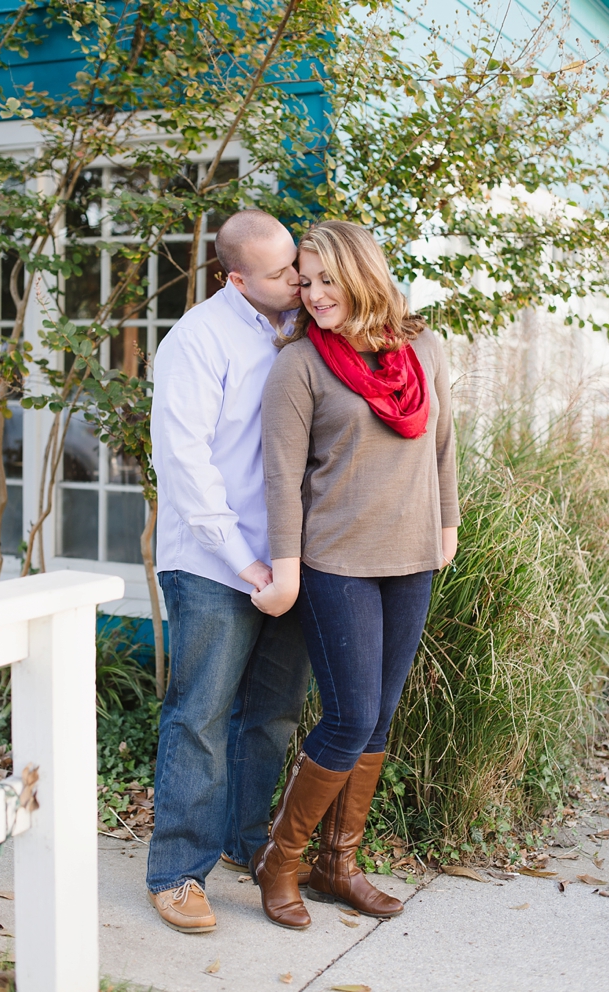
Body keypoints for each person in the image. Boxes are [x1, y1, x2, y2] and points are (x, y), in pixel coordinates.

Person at [249, 220, 458, 930]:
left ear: (361, 274)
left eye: (325, 280)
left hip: (411, 559)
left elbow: (443, 442)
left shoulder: (421, 348)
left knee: (379, 717)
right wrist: (284, 569)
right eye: (304, 283)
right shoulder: (299, 365)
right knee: (346, 719)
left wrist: (446, 525)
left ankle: (338, 864)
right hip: (335, 563)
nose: (311, 296)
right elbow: (280, 478)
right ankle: (279, 862)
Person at [145, 210, 313, 934]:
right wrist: (246, 564)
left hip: (287, 558)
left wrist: (286, 563)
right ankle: (177, 872)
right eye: (280, 273)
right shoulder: (196, 341)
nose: (297, 280)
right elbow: (184, 465)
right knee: (201, 718)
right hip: (215, 562)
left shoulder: (303, 326)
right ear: (235, 278)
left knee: (271, 716)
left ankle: (250, 844)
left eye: (296, 265)